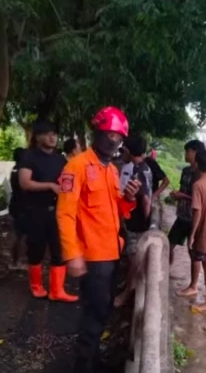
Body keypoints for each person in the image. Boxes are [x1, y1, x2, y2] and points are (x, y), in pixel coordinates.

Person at [56, 106, 140, 373]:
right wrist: (72, 254)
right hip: (93, 258)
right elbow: (65, 214)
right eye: (110, 134)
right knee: (94, 314)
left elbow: (117, 209)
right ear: (98, 133)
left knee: (102, 311)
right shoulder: (77, 166)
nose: (114, 140)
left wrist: (128, 198)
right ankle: (84, 366)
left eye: (119, 136)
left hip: (112, 252)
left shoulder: (111, 170)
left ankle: (93, 360)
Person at [18, 121, 78, 302]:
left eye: (55, 134)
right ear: (37, 137)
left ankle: (57, 291)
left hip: (57, 212)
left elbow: (67, 180)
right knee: (36, 250)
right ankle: (36, 287)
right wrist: (50, 186)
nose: (53, 137)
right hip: (36, 211)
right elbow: (25, 183)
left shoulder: (60, 159)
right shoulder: (29, 157)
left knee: (59, 250)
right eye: (47, 133)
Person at [177, 150, 206, 313]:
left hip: (205, 228)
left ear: (196, 163)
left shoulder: (198, 185)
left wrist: (193, 234)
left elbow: (197, 211)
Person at [114, 136, 152, 307]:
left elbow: (145, 200)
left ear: (129, 151)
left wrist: (146, 221)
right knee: (132, 256)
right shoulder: (145, 167)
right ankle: (130, 286)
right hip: (136, 220)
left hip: (136, 222)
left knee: (133, 257)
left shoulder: (137, 171)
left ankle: (128, 292)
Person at [167, 139, 206, 264]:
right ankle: (165, 272)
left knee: (193, 252)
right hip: (182, 216)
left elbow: (202, 199)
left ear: (195, 153)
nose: (185, 154)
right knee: (168, 245)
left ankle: (194, 283)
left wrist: (183, 196)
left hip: (194, 218)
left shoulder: (201, 174)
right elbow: (183, 190)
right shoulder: (185, 171)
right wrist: (177, 195)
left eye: (187, 151)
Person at [8, 147, 28, 270]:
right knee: (20, 235)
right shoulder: (21, 170)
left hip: (15, 204)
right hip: (21, 206)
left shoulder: (14, 169)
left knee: (19, 234)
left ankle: (17, 260)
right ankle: (16, 262)